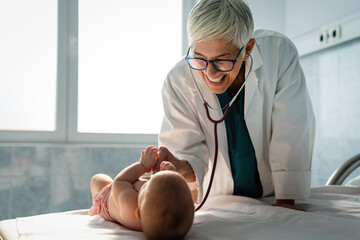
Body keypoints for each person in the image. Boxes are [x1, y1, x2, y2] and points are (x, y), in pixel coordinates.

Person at [156, 0, 315, 211]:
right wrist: (181, 167)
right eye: (199, 58)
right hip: (218, 202)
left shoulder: (279, 53)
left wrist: (287, 205)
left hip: (274, 197)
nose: (210, 74)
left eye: (222, 61)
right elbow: (188, 150)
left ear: (247, 48)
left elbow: (292, 132)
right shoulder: (178, 81)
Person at [89, 146, 194, 240]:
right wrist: (169, 174)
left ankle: (95, 201)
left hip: (108, 200)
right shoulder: (154, 218)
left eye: (146, 185)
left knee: (98, 180)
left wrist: (142, 166)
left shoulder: (129, 205)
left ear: (138, 213)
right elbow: (167, 192)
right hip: (127, 190)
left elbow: (120, 181)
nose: (148, 181)